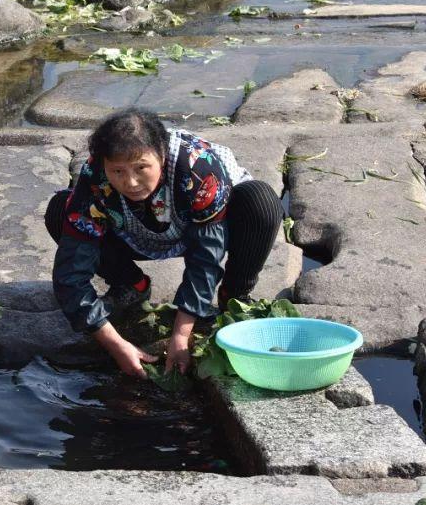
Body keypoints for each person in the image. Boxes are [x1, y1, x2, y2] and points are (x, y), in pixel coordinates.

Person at [45, 108, 282, 378]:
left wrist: (181, 334)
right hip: (133, 232)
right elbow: (70, 275)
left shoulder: (198, 166)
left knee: (260, 201)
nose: (131, 182)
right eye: (118, 171)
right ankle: (131, 283)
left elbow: (206, 257)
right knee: (60, 210)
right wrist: (116, 345)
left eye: (141, 168)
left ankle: (234, 295)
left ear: (161, 153)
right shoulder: (94, 176)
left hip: (204, 225)